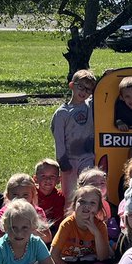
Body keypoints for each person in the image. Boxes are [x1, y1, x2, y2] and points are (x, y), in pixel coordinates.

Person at [50, 183, 112, 264]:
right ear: (74, 205)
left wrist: (96, 233)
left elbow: (103, 257)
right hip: (68, 263)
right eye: (82, 201)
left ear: (98, 209)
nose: (86, 206)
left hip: (89, 263)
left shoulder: (100, 226)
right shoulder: (67, 224)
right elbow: (54, 255)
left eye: (92, 203)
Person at [52, 69, 97, 202]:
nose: (84, 92)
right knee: (69, 196)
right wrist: (62, 159)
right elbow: (58, 139)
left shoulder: (90, 106)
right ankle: (68, 219)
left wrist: (108, 75)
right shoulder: (62, 113)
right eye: (81, 87)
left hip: (87, 157)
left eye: (88, 89)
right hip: (69, 159)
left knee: (88, 189)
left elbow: (105, 90)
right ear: (72, 85)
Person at [0, 173, 52, 245]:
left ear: (33, 195)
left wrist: (33, 231)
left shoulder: (37, 212)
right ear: (7, 195)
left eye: (25, 195)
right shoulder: (1, 216)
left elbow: (48, 239)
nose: (20, 199)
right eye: (15, 195)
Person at [34, 158, 66, 231]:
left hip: (50, 228)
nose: (48, 180)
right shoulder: (31, 193)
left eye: (52, 176)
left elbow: (58, 221)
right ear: (35, 179)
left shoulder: (59, 197)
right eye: (43, 176)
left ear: (58, 180)